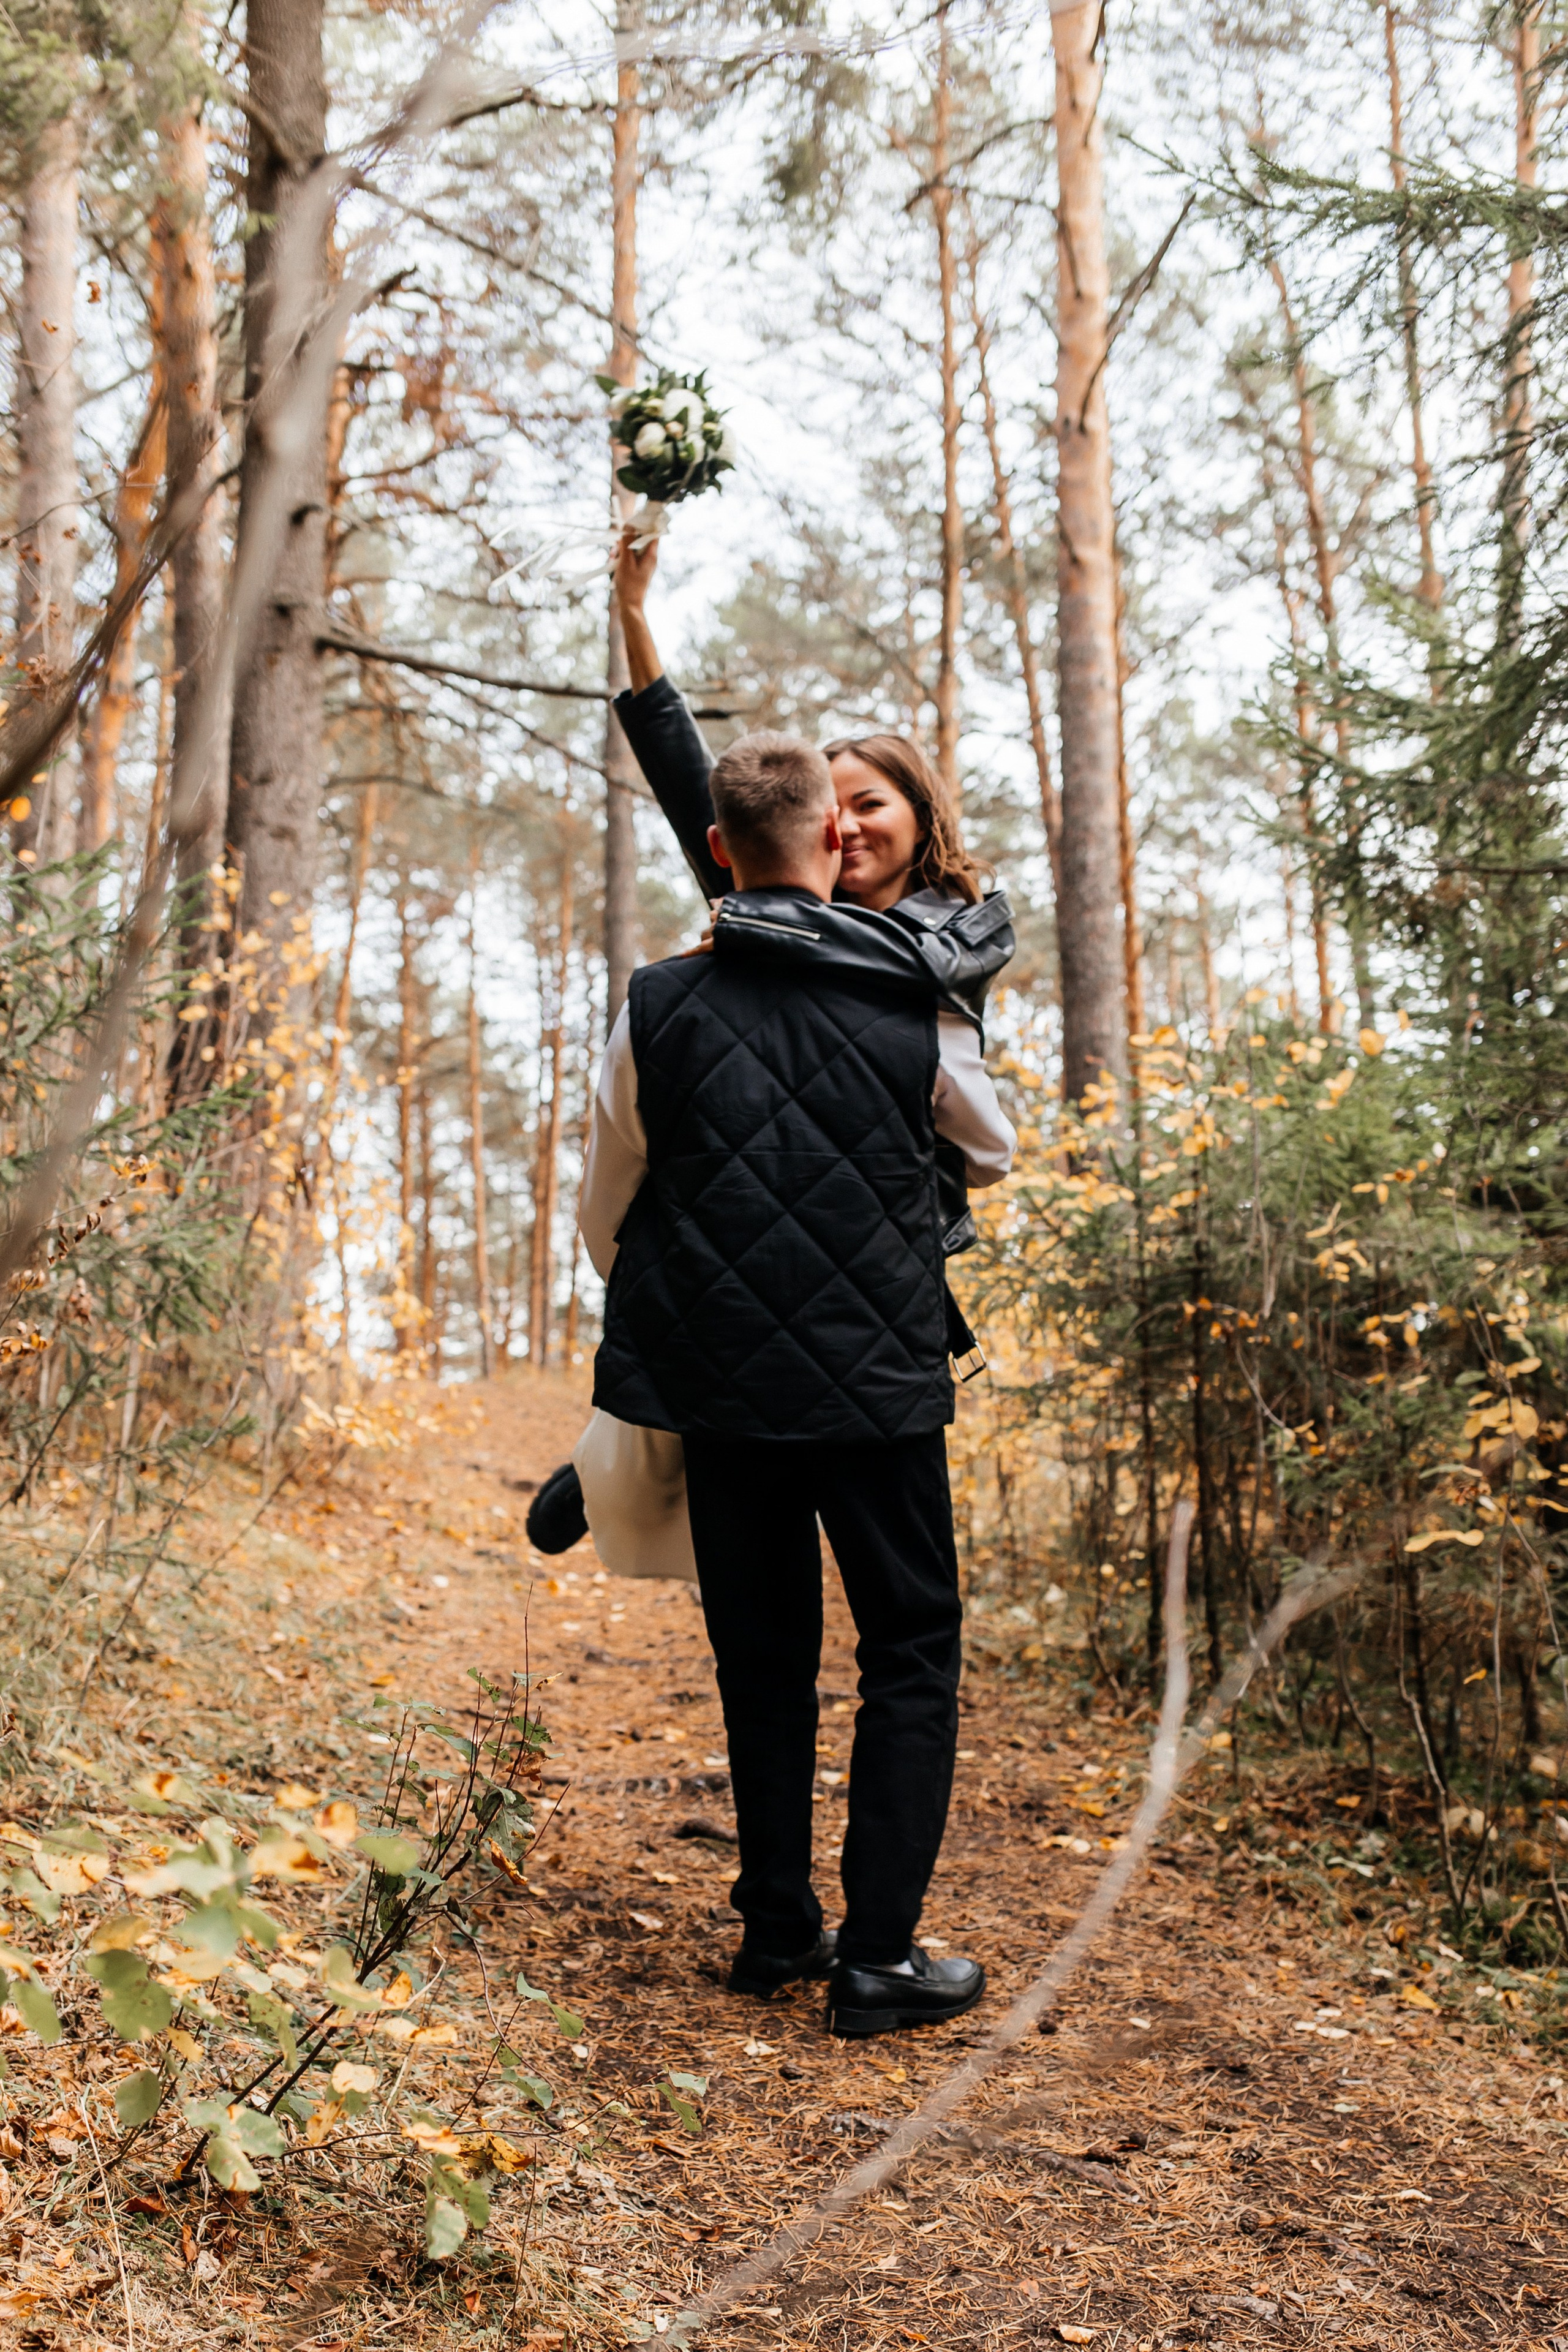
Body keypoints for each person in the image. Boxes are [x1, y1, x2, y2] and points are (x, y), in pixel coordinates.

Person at [578, 728, 1016, 2037]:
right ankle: (878, 1959)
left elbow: (608, 1202)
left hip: (726, 1386)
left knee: (760, 1654)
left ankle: (776, 1930)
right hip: (877, 1383)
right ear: (831, 836)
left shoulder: (659, 1000)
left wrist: (693, 1302)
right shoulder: (912, 984)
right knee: (909, 1650)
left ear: (717, 851)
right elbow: (989, 1149)